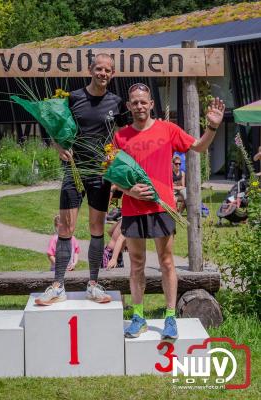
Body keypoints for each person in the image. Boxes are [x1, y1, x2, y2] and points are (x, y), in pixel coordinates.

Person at [113, 83, 225, 339]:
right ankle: (138, 316)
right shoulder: (121, 137)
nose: (139, 106)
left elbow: (198, 147)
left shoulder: (168, 129)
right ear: (129, 106)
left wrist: (213, 126)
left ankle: (170, 317)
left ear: (151, 104)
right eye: (135, 102)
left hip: (162, 207)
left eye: (144, 101)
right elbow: (115, 177)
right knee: (137, 264)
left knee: (166, 262)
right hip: (132, 208)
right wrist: (129, 192)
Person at [35, 53, 127, 306]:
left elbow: (122, 135)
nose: (103, 74)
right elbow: (54, 128)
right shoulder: (74, 97)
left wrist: (117, 159)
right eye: (99, 69)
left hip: (100, 173)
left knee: (97, 229)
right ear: (90, 70)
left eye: (107, 70)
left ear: (112, 74)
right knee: (66, 228)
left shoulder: (116, 102)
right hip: (74, 170)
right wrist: (58, 146)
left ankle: (94, 284)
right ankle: (58, 286)